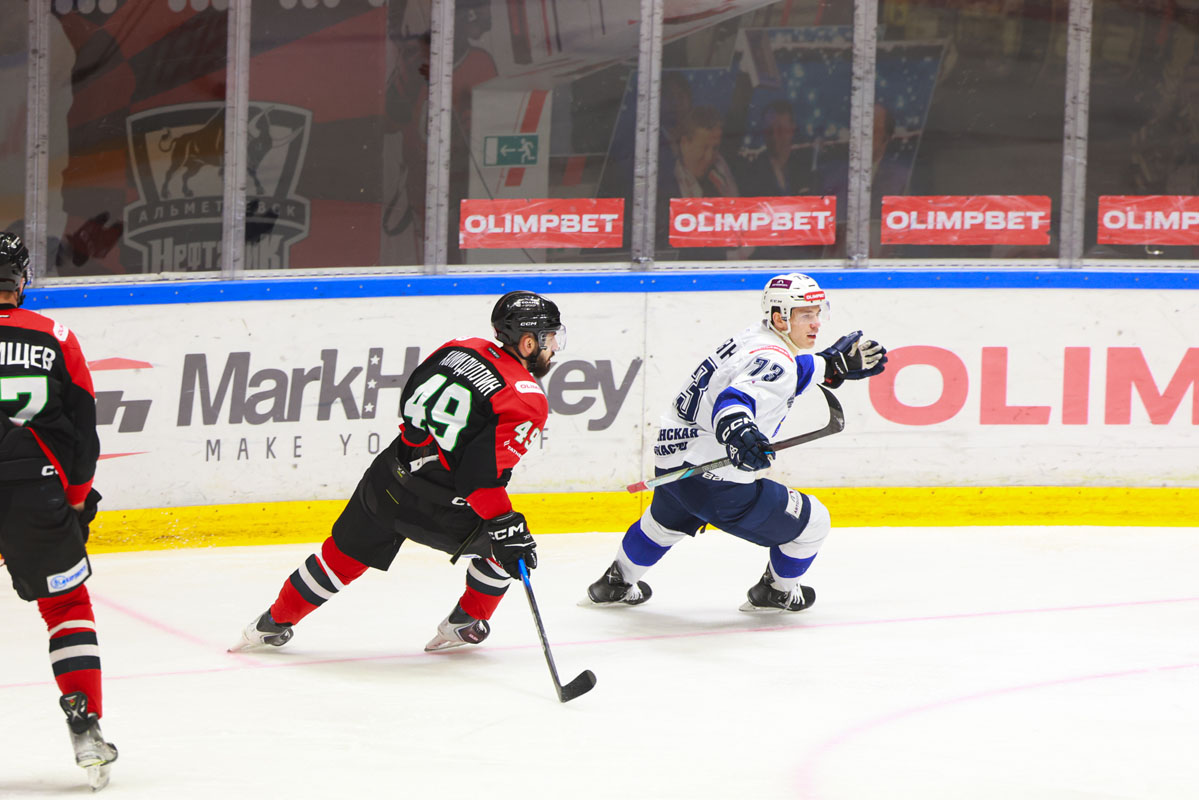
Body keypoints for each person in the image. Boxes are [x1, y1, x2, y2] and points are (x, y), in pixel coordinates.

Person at [234, 291, 565, 653]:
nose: (554, 348)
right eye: (549, 338)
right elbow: (478, 483)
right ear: (529, 342)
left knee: (340, 558)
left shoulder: (459, 347)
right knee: (509, 550)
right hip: (442, 506)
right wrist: (506, 524)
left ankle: (270, 623)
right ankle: (465, 622)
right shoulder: (525, 399)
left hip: (389, 477)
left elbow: (409, 402)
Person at [583, 273, 886, 612]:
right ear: (779, 318)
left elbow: (776, 372)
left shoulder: (753, 338)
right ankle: (777, 592)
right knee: (815, 521)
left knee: (662, 525)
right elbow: (737, 399)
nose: (816, 323)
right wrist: (739, 432)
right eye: (805, 315)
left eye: (818, 313)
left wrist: (829, 365)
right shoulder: (776, 359)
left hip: (673, 461)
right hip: (715, 481)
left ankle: (616, 583)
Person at [0, 233, 115, 789]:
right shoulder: (56, 336)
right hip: (38, 491)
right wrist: (74, 498)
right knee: (66, 604)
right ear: (21, 280)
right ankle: (85, 726)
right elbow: (84, 434)